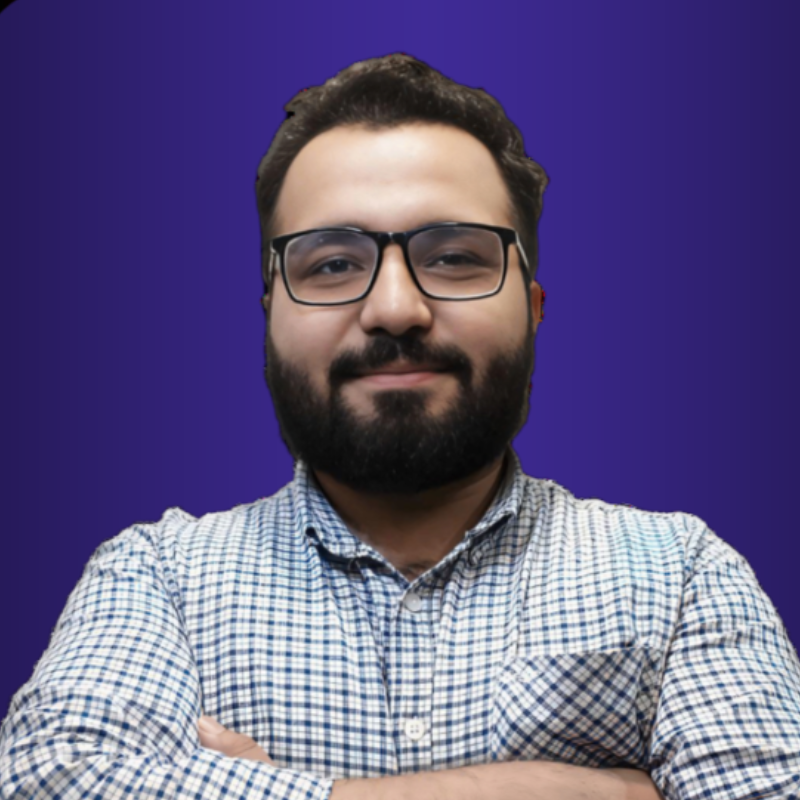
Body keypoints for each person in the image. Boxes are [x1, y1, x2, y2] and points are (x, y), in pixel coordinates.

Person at [1, 53, 799, 800]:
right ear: (270, 314)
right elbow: (48, 779)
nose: (394, 309)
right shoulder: (157, 577)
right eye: (332, 264)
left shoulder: (679, 574)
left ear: (532, 307)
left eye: (455, 257)